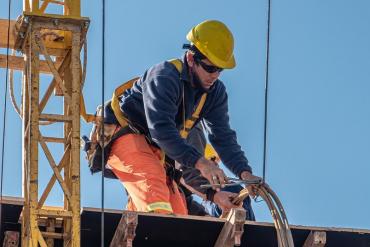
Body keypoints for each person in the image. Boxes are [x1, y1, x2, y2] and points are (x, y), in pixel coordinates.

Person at [105, 20, 261, 215]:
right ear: (190, 58)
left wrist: (243, 173)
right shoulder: (164, 76)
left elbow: (223, 138)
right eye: (210, 68)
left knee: (179, 213)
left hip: (160, 153)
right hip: (129, 137)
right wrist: (203, 163)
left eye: (220, 69)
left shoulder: (214, 93)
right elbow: (161, 130)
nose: (215, 75)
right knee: (155, 195)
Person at [179, 122, 255, 220]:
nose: (216, 166)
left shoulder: (230, 190)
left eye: (215, 163)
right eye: (212, 162)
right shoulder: (207, 199)